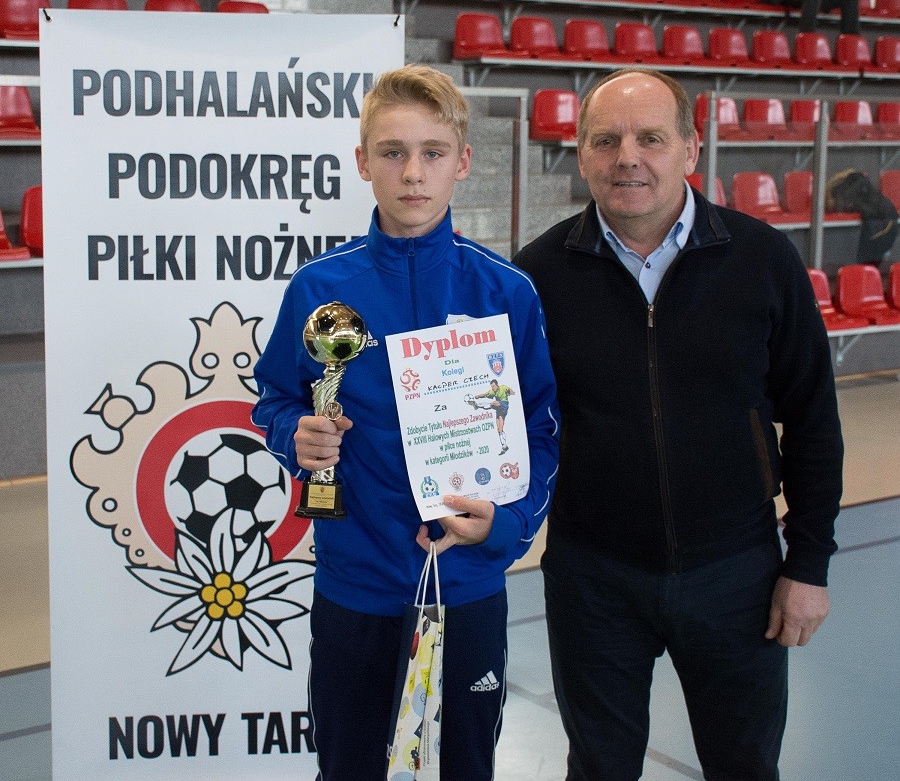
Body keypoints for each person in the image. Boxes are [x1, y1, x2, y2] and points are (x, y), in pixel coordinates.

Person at [514, 68, 843, 781]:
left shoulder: (763, 260)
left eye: (651, 138)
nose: (627, 157)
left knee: (745, 767)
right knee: (598, 769)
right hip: (593, 578)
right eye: (606, 140)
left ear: (691, 148)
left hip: (737, 572)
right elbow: (502, 420)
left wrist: (808, 563)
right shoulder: (536, 276)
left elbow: (813, 416)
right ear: (581, 153)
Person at [252, 64, 559, 781]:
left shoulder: (506, 292)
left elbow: (541, 432)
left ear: (463, 162)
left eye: (432, 152)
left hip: (466, 584)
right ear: (363, 162)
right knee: (350, 769)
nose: (413, 173)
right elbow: (275, 399)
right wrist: (295, 435)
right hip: (355, 585)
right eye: (393, 152)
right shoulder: (321, 288)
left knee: (463, 769)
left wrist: (507, 526)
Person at [826, 168, 899, 266]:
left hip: (882, 222)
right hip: (885, 221)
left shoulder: (850, 187)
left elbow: (841, 205)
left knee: (866, 264)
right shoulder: (859, 184)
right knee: (868, 264)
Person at [470, 378, 516, 454]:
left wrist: (512, 392)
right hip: (499, 410)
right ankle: (504, 446)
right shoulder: (492, 391)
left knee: (494, 403)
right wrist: (478, 396)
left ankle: (477, 406)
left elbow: (509, 390)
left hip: (504, 404)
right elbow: (485, 394)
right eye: (491, 386)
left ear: (497, 385)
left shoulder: (503, 387)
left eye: (493, 386)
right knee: (499, 429)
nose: (493, 388)